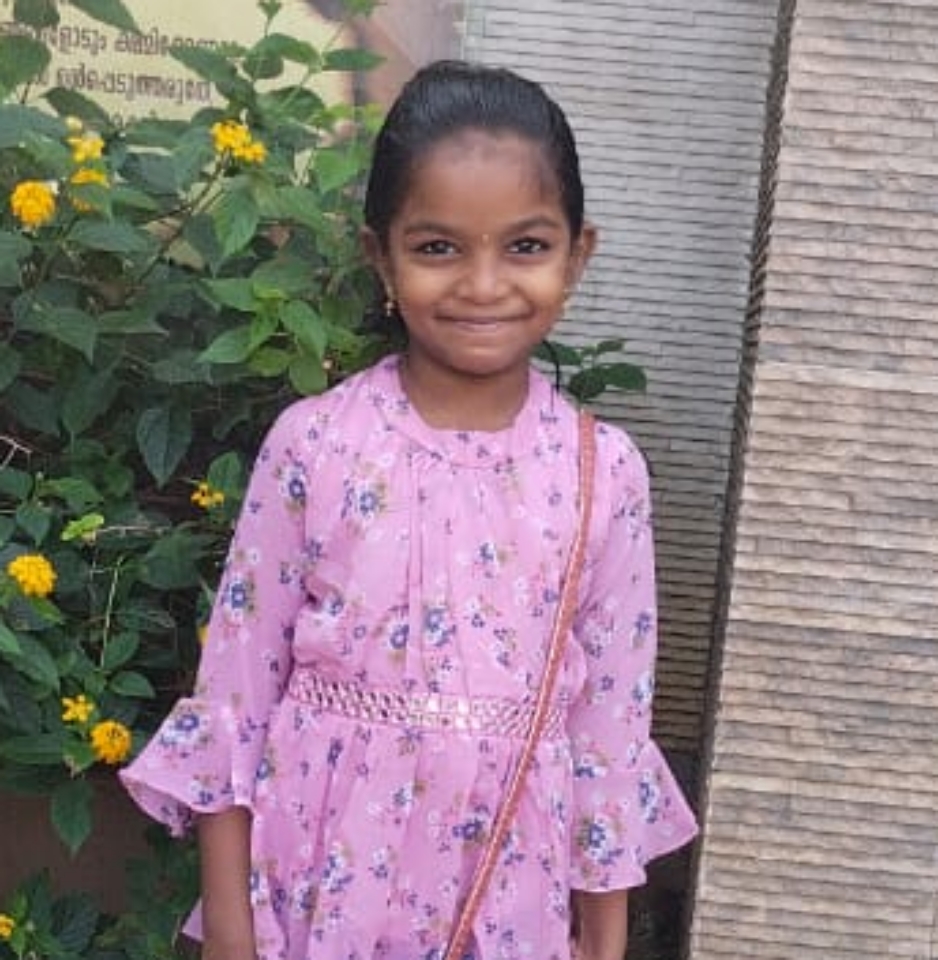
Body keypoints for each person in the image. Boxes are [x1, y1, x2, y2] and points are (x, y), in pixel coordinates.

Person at [120, 59, 698, 960]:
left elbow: (611, 730)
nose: (483, 284)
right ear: (379, 255)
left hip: (509, 899)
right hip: (319, 887)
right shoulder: (317, 444)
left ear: (577, 256)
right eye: (437, 248)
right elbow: (235, 694)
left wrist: (603, 941)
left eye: (525, 246)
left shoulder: (605, 473)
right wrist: (231, 929)